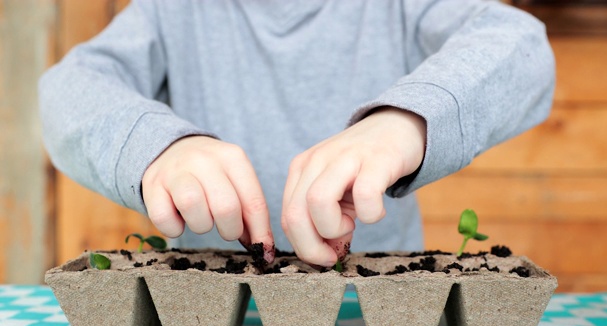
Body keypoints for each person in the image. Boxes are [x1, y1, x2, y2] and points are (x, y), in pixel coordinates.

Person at [39, 0, 555, 268]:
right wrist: (160, 147)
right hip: (211, 325)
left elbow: (520, 44)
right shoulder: (171, 10)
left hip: (375, 324)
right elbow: (68, 89)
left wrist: (403, 121)